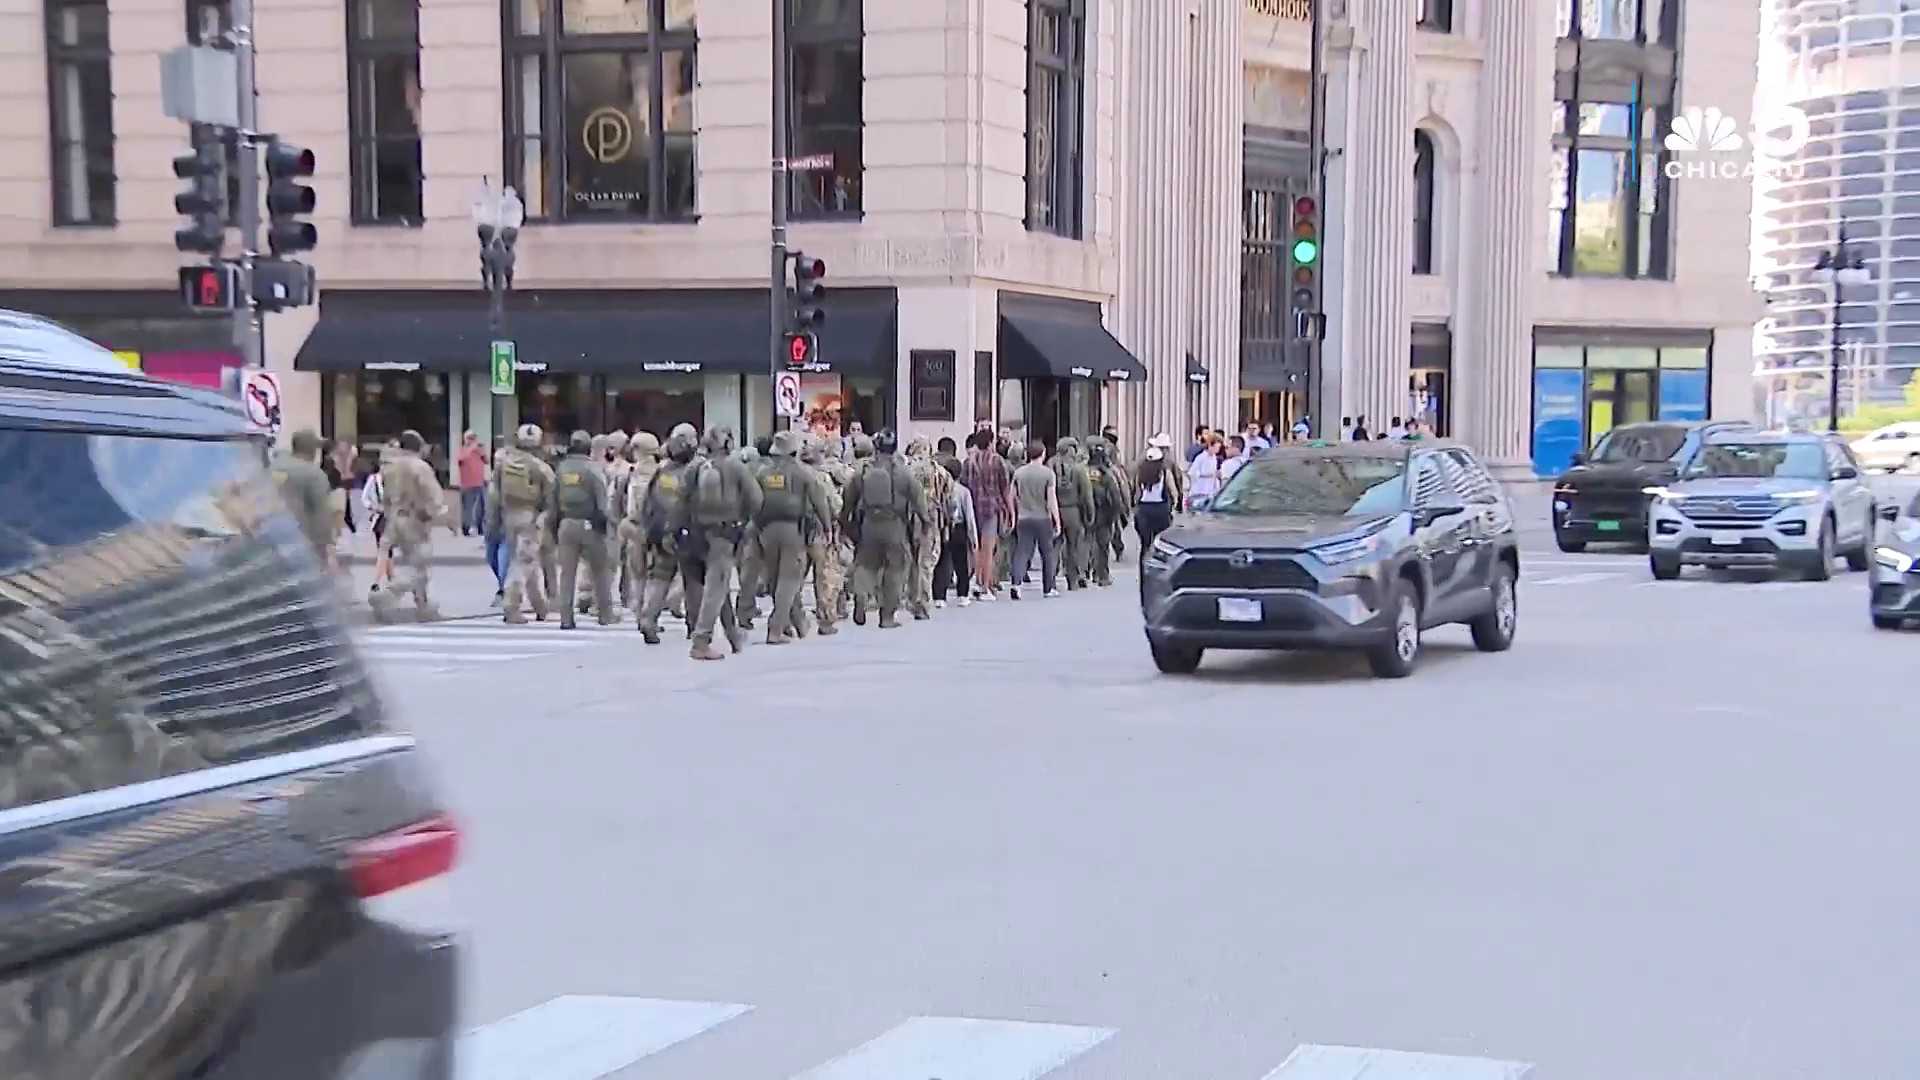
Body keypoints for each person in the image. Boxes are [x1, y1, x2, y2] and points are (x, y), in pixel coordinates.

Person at [686, 426, 760, 660]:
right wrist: (745, 520)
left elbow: (681, 499)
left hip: (697, 533)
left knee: (719, 583)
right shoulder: (735, 466)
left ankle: (733, 636)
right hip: (725, 533)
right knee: (716, 585)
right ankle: (701, 641)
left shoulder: (695, 467)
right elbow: (756, 498)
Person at [755, 429, 833, 644]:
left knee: (774, 580)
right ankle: (776, 629)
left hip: (766, 531)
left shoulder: (762, 473)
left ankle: (798, 623)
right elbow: (820, 502)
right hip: (793, 531)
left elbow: (752, 500)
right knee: (789, 580)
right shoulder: (804, 473)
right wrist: (827, 528)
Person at [843, 428, 926, 628]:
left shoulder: (863, 471)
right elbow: (920, 503)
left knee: (865, 564)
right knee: (895, 569)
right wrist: (925, 525)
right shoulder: (904, 473)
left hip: (869, 524)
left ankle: (861, 596)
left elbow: (848, 501)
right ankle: (887, 616)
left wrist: (847, 525)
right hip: (895, 526)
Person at [367, 430, 449, 621]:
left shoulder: (389, 467)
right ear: (418, 447)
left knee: (413, 562)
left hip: (394, 518)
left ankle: (423, 604)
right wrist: (433, 514)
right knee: (418, 565)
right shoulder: (420, 467)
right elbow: (433, 496)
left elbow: (385, 497)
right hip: (415, 520)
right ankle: (386, 594)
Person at [635, 424, 701, 645]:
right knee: (692, 580)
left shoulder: (662, 471)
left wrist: (647, 529)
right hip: (685, 532)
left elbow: (647, 503)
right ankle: (694, 626)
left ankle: (648, 619)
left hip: (658, 530)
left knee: (660, 578)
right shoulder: (696, 471)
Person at [547, 430, 616, 630]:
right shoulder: (592, 470)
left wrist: (554, 528)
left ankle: (566, 618)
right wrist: (606, 528)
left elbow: (553, 503)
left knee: (567, 574)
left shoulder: (561, 470)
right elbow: (603, 505)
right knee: (600, 571)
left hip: (566, 524)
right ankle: (605, 614)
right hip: (590, 525)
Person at [489, 424, 554, 623]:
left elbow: (493, 495)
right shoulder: (540, 467)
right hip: (531, 519)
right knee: (524, 561)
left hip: (508, 516)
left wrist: (493, 522)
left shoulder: (504, 464)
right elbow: (552, 498)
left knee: (526, 561)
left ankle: (539, 606)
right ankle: (511, 604)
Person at [798, 435, 846, 635]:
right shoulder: (822, 477)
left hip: (796, 530)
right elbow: (835, 505)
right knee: (826, 575)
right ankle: (825, 620)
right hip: (820, 531)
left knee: (795, 577)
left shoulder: (795, 472)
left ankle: (789, 617)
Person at [961, 429, 1014, 601]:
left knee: (976, 548)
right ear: (991, 442)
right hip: (992, 508)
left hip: (973, 507)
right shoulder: (997, 461)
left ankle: (977, 582)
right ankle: (986, 587)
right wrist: (1011, 511)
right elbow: (1005, 488)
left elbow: (963, 485)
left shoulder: (968, 462)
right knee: (989, 549)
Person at [904, 436, 952, 619]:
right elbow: (949, 500)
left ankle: (911, 598)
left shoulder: (907, 471)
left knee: (911, 561)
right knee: (926, 562)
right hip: (932, 521)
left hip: (909, 519)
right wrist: (947, 523)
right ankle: (923, 603)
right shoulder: (940, 472)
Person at [271, 429, 335, 564]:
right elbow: (321, 514)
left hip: (271, 542)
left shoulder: (273, 467)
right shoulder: (314, 474)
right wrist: (326, 552)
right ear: (312, 450)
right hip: (302, 543)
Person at [1009, 440, 1061, 600]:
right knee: (1047, 553)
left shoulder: (1019, 473)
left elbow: (1011, 496)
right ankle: (1048, 587)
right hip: (1042, 517)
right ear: (1043, 454)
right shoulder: (1047, 474)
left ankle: (1016, 584)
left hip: (1023, 517)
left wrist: (1013, 514)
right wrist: (1057, 520)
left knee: (1022, 552)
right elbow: (1051, 499)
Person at [1050, 437, 1095, 590]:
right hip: (1073, 511)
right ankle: (1073, 579)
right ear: (1070, 450)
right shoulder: (1079, 469)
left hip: (1055, 510)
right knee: (1073, 546)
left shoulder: (1050, 467)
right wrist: (1089, 514)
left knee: (1054, 546)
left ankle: (1051, 577)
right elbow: (1086, 495)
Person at [932, 457, 977, 608]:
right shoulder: (964, 491)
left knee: (942, 561)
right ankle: (962, 594)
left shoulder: (938, 489)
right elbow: (969, 515)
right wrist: (973, 536)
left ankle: (939, 596)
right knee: (961, 562)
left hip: (942, 526)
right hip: (959, 528)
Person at [1085, 439, 1128, 588]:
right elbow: (1116, 495)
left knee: (1088, 544)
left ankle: (1086, 572)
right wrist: (1118, 514)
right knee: (1103, 546)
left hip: (1087, 513)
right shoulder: (1107, 474)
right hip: (1104, 513)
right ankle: (1101, 575)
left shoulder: (1084, 471)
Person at [1134, 448, 1175, 557]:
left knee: (1145, 544)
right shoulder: (1164, 472)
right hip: (1160, 508)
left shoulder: (1141, 473)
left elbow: (1137, 492)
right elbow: (1173, 490)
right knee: (1160, 544)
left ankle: (1143, 569)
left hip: (1143, 509)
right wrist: (1174, 504)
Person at [455, 431, 488, 536]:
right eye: (470, 438)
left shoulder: (478, 450)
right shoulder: (463, 449)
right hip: (467, 484)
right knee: (468, 507)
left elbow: (486, 460)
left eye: (474, 438)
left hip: (479, 482)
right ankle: (466, 527)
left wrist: (481, 451)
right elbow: (460, 460)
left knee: (481, 507)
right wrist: (472, 448)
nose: (472, 440)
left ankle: (480, 528)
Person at [1186, 433, 1222, 508]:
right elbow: (1192, 472)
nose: (1218, 449)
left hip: (1210, 491)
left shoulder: (1214, 458)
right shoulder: (1201, 457)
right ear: (1210, 446)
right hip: (1199, 490)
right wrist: (1207, 474)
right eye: (1216, 447)